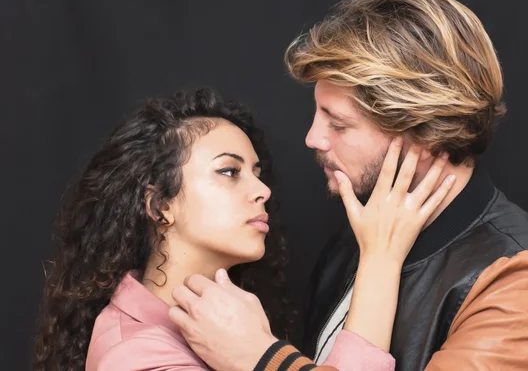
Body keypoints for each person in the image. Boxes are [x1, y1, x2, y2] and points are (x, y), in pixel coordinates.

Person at [168, 0, 528, 371]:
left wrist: (260, 358)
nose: (313, 138)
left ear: (422, 132)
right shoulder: (354, 243)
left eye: (339, 124)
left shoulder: (524, 281)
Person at [33, 88, 455, 371]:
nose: (262, 190)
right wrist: (380, 259)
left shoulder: (224, 318)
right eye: (229, 172)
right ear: (160, 204)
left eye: (256, 172)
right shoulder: (140, 357)